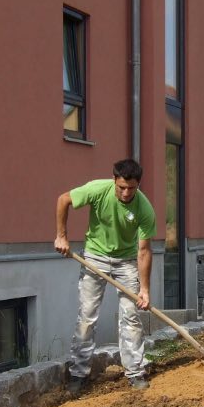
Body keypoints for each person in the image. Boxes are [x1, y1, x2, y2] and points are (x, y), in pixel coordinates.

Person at [54, 159, 157, 394]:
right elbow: (63, 200)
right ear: (114, 181)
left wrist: (145, 289)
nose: (126, 192)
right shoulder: (98, 190)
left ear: (138, 185)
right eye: (121, 187)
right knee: (87, 316)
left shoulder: (144, 208)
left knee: (131, 317)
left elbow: (143, 251)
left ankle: (135, 372)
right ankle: (78, 374)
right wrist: (61, 236)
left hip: (126, 261)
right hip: (94, 257)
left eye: (131, 188)